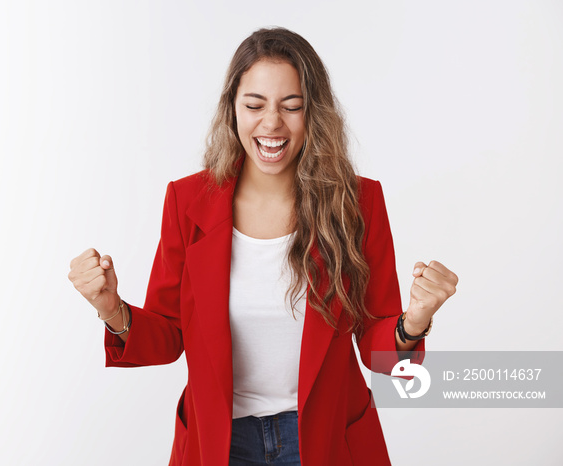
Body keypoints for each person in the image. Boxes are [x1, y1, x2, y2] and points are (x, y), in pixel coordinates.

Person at [68, 27, 458, 465]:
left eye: (291, 106)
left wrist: (415, 320)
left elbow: (377, 351)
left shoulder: (358, 202)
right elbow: (169, 336)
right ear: (232, 108)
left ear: (314, 113)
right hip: (219, 443)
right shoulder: (187, 201)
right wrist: (109, 307)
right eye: (254, 105)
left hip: (324, 440)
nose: (272, 123)